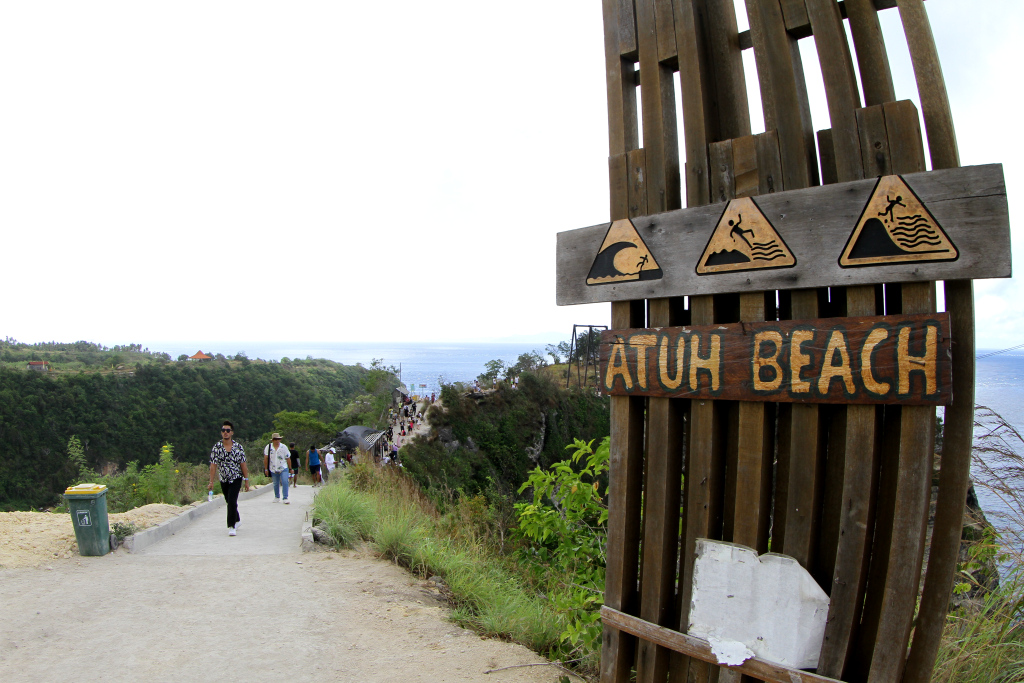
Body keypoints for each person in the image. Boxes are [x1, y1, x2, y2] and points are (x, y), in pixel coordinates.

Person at [209, 420, 249, 536]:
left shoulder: (238, 447)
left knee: (232, 501)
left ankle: (231, 526)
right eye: (223, 430)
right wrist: (211, 481)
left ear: (232, 432)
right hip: (224, 478)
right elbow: (213, 465)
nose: (225, 433)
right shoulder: (217, 447)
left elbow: (243, 464)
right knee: (229, 501)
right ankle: (237, 519)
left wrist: (246, 480)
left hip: (236, 477)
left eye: (228, 430)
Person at [263, 432, 291, 504]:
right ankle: (277, 496)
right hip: (273, 467)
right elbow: (266, 458)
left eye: (278, 439)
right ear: (272, 440)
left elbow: (288, 458)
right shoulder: (268, 447)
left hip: (283, 467)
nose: (277, 441)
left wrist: (290, 468)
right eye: (275, 439)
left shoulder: (284, 447)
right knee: (275, 483)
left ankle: (285, 497)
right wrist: (266, 469)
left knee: (285, 481)